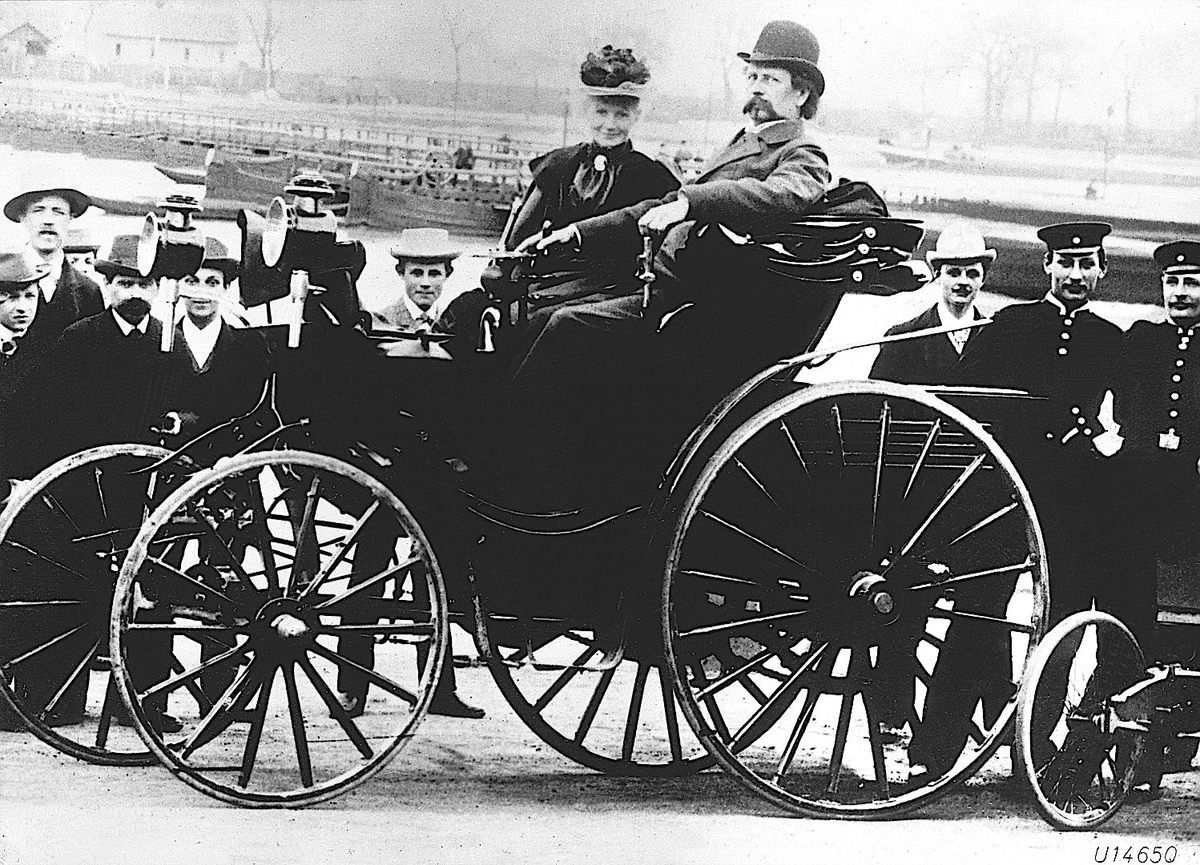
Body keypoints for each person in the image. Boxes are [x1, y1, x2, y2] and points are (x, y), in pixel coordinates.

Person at [507, 20, 832, 508]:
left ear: (801, 92)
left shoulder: (801, 153)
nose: (756, 88)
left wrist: (695, 203)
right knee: (535, 315)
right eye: (754, 76)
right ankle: (545, 465)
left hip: (697, 307)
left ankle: (511, 459)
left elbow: (783, 195)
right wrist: (575, 232)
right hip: (660, 285)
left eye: (771, 78)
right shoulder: (747, 141)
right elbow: (656, 208)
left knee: (566, 326)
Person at [921, 222, 1122, 778]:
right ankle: (933, 755)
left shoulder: (1111, 339)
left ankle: (1029, 759)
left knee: (1058, 624)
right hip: (1006, 493)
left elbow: (1124, 418)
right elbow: (973, 402)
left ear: (1101, 271)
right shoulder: (1010, 324)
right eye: (1065, 264)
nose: (1075, 275)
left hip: (1074, 499)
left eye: (1086, 265)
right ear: (1047, 268)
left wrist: (1104, 438)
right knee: (976, 616)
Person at [504, 45, 679, 312]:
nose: (610, 124)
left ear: (637, 116)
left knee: (543, 317)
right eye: (601, 112)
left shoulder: (653, 175)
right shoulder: (558, 164)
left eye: (621, 114)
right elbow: (518, 238)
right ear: (586, 111)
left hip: (609, 288)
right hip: (548, 279)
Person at [870, 221, 991, 384]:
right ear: (937, 275)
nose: (963, 282)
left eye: (972, 274)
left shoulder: (995, 338)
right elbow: (877, 400)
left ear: (983, 279)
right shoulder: (902, 338)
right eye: (953, 273)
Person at [3, 186, 103, 354]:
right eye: (38, 210)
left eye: (58, 212)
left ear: (70, 219)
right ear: (22, 218)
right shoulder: (2, 277)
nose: (48, 220)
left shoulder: (88, 290)